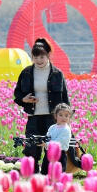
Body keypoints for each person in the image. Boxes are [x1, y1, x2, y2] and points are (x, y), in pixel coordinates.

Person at [13, 38, 69, 173]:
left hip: (52, 118)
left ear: (48, 55)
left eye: (42, 56)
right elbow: (17, 93)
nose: (39, 60)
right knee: (31, 150)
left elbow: (64, 98)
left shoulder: (57, 74)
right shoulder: (26, 72)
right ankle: (34, 178)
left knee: (52, 150)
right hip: (34, 117)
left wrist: (66, 118)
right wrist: (24, 99)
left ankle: (50, 177)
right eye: (35, 57)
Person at [41, 103, 73, 175]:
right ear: (55, 116)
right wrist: (43, 141)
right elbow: (48, 137)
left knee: (57, 174)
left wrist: (47, 144)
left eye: (66, 116)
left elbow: (59, 143)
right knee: (45, 172)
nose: (63, 118)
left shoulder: (66, 129)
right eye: (60, 115)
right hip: (49, 153)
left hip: (60, 154)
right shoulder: (52, 127)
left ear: (69, 117)